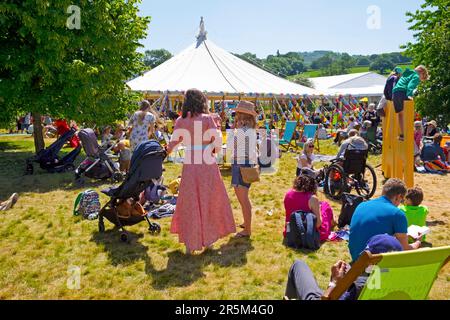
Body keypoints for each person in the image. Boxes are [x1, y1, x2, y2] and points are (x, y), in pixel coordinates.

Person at [167, 89, 236, 254]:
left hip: (191, 165)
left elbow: (172, 144)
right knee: (208, 200)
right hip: (206, 164)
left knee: (191, 201)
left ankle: (190, 243)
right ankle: (209, 239)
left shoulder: (181, 120)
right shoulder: (207, 119)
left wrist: (164, 152)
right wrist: (212, 150)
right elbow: (217, 142)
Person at [284, 234, 403, 300]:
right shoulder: (407, 288)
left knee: (299, 265)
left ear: (371, 262)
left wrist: (335, 283)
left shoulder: (360, 287)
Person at [348, 178, 421, 262]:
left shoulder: (362, 205)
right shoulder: (397, 214)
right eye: (402, 200)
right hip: (372, 261)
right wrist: (417, 243)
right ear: (398, 197)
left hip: (355, 257)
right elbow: (404, 249)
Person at [229, 101, 259, 238]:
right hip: (243, 163)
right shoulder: (248, 129)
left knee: (243, 198)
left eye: (238, 113)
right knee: (243, 198)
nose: (236, 115)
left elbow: (236, 146)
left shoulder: (244, 130)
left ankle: (247, 230)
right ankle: (246, 224)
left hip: (242, 164)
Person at [283, 169, 326, 239]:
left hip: (290, 231)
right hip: (307, 234)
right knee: (325, 207)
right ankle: (335, 222)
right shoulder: (312, 198)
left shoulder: (288, 194)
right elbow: (318, 224)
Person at [392, 66, 429, 140]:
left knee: (400, 114)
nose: (421, 80)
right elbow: (410, 86)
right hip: (403, 92)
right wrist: (409, 95)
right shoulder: (415, 76)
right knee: (411, 112)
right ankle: (409, 131)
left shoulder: (407, 73)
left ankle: (402, 134)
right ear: (421, 72)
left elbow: (401, 82)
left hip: (395, 93)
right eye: (423, 77)